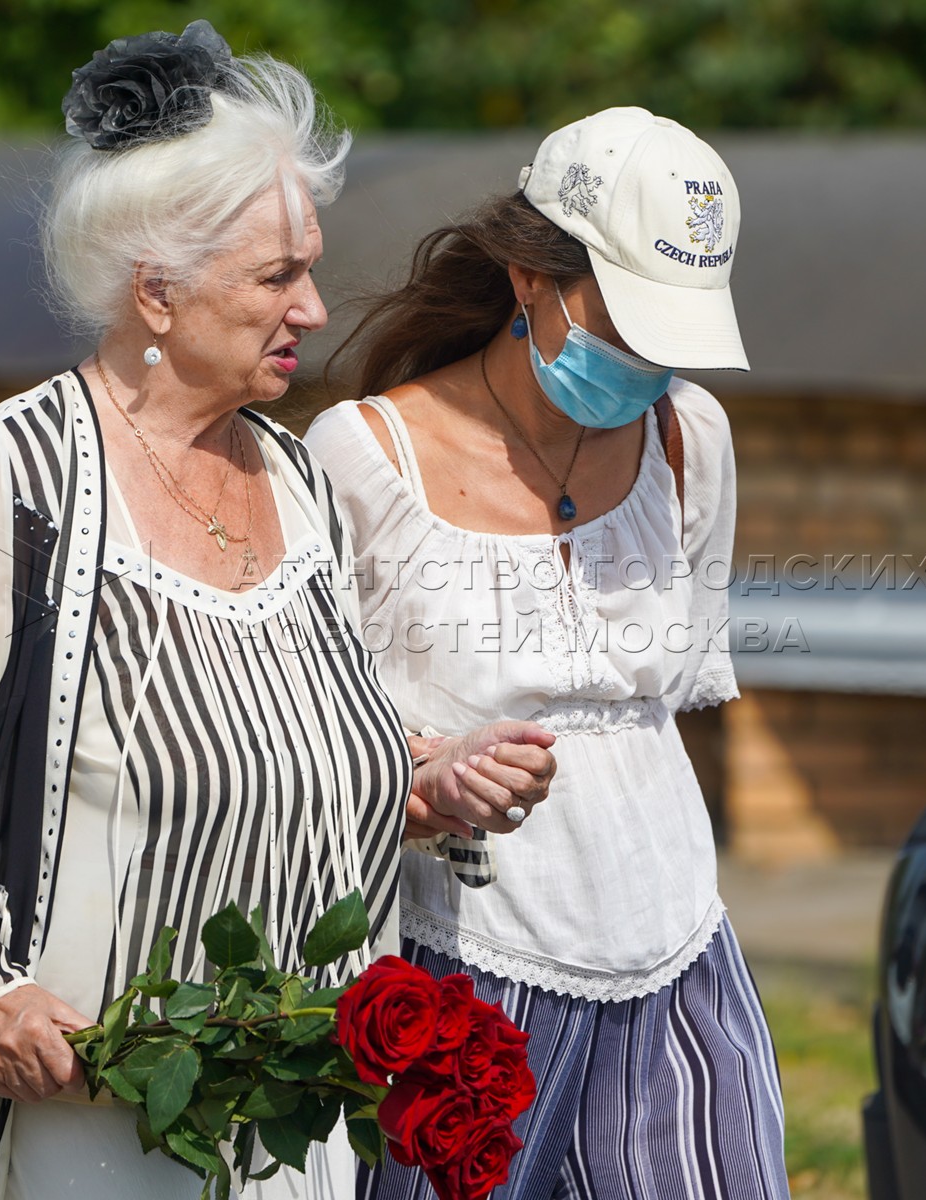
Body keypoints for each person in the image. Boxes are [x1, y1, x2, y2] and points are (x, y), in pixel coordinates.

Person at [0, 24, 553, 1200]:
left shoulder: (296, 481)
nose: (312, 304)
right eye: (275, 276)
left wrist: (424, 777)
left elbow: (287, 743)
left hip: (288, 1131)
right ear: (157, 289)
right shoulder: (17, 480)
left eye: (308, 266)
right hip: (79, 1119)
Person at [306, 107, 790, 1199]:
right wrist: (428, 761)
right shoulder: (362, 458)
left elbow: (667, 696)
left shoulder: (689, 437)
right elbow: (298, 727)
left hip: (681, 962)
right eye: (629, 318)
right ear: (530, 278)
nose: (653, 359)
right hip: (460, 977)